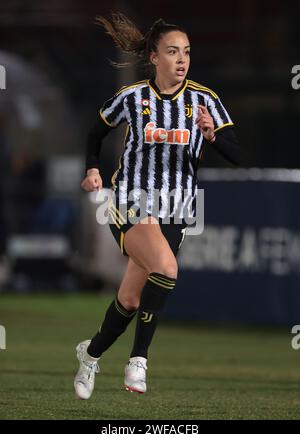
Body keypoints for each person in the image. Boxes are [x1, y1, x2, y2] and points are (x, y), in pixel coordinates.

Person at [74, 13, 241, 399]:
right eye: (172, 51)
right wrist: (93, 169)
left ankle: (90, 354)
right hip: (129, 200)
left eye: (186, 52)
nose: (181, 59)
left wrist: (211, 136)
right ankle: (139, 360)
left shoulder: (205, 100)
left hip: (177, 209)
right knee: (166, 268)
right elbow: (95, 132)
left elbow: (236, 153)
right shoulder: (133, 97)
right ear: (153, 57)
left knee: (131, 299)